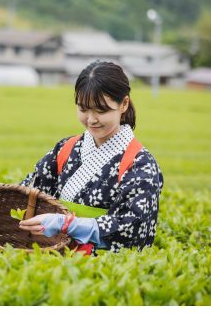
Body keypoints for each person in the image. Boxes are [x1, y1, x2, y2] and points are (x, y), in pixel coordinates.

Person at [18, 61, 163, 253]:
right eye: (83, 109)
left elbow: (131, 228)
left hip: (104, 270)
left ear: (124, 104)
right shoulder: (65, 148)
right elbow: (29, 193)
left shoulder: (141, 164)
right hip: (52, 258)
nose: (91, 119)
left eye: (101, 110)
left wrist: (68, 224)